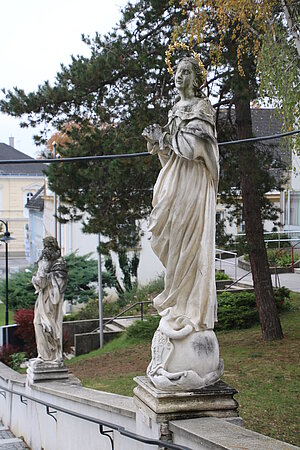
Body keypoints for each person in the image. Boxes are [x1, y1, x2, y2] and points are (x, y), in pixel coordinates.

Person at [143, 57, 222, 390]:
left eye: (185, 72)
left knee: (191, 244)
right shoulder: (175, 111)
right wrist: (158, 145)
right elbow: (173, 156)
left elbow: (196, 150)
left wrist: (169, 139)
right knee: (171, 241)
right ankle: (178, 302)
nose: (179, 78)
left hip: (193, 186)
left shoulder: (202, 109)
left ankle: (191, 308)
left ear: (195, 77)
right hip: (175, 185)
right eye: (176, 73)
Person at [32, 236, 68, 364]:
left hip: (51, 299)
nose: (45, 249)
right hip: (43, 297)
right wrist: (41, 276)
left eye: (48, 246)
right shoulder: (45, 261)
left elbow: (59, 283)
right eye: (45, 247)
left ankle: (51, 355)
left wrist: (44, 275)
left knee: (47, 325)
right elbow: (40, 281)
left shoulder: (59, 263)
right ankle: (44, 355)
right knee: (38, 323)